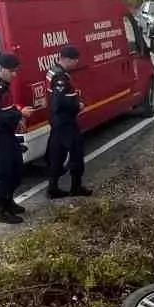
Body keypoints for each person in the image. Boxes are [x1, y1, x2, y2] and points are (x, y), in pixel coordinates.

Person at [0, 53, 34, 224]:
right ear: (1, 68)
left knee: (16, 170)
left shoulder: (3, 84)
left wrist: (18, 118)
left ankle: (10, 201)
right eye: (12, 71)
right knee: (3, 174)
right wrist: (20, 114)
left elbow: (8, 107)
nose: (14, 75)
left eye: (16, 71)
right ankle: (2, 212)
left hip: (8, 134)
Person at [46, 45, 93, 201]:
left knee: (57, 155)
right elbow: (58, 102)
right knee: (76, 153)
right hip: (65, 122)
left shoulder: (52, 71)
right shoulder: (60, 77)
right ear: (66, 59)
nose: (76, 63)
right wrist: (77, 106)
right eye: (75, 60)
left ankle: (52, 188)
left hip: (56, 121)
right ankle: (76, 187)